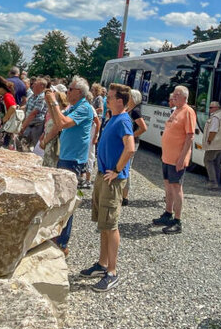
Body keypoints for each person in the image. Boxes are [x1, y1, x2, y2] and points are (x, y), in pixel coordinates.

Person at [78, 83, 137, 293]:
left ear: (120, 101)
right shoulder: (114, 118)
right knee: (103, 223)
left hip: (112, 179)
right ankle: (102, 264)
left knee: (111, 225)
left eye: (110, 97)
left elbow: (130, 148)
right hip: (104, 177)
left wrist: (116, 170)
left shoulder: (123, 120)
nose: (106, 99)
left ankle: (112, 272)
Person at [44, 76, 96, 255]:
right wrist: (51, 103)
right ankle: (57, 236)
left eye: (70, 89)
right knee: (59, 198)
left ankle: (62, 243)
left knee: (67, 201)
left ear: (79, 92)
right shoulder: (75, 107)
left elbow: (63, 123)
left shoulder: (85, 108)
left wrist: (54, 103)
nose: (67, 92)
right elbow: (57, 123)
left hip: (73, 160)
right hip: (66, 156)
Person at [152, 85, 195, 234]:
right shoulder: (176, 110)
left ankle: (177, 220)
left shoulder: (188, 112)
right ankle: (168, 213)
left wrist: (182, 158)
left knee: (176, 188)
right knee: (168, 186)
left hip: (177, 158)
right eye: (174, 94)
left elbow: (190, 136)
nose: (174, 96)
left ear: (184, 97)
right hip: (167, 157)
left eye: (177, 94)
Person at [121, 88, 147, 207]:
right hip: (125, 141)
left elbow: (143, 128)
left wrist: (131, 136)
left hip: (132, 142)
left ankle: (125, 196)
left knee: (127, 167)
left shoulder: (136, 111)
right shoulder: (128, 109)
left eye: (129, 96)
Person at [202, 101, 221, 189]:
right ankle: (217, 180)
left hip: (214, 144)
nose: (209, 109)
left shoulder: (215, 117)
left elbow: (213, 130)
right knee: (216, 163)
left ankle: (213, 182)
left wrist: (209, 140)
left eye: (211, 108)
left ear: (216, 108)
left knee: (208, 160)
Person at [19, 77, 48, 154]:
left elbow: (33, 113)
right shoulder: (32, 96)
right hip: (29, 124)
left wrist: (23, 126)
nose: (33, 86)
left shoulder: (42, 97)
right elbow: (27, 108)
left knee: (34, 147)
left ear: (41, 86)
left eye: (35, 84)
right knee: (23, 144)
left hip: (37, 126)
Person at [0, 75, 18, 150]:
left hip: (5, 128)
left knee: (4, 147)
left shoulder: (7, 96)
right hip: (1, 127)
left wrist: (5, 118)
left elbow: (13, 107)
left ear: (0, 88)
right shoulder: (3, 96)